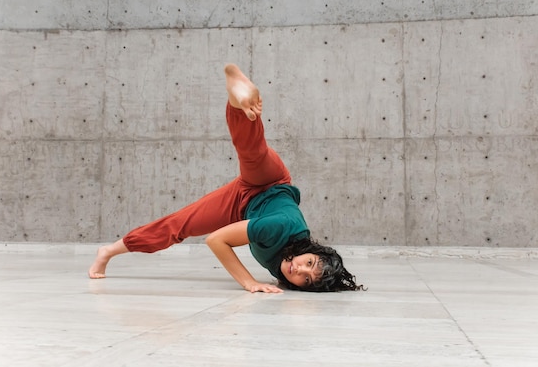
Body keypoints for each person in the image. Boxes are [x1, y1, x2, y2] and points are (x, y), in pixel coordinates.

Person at [88, 64, 363, 293]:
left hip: (243, 204)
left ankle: (108, 251)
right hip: (271, 183)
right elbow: (216, 240)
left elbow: (215, 238)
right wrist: (249, 283)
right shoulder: (278, 228)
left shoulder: (286, 265)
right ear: (312, 251)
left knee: (178, 225)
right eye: (310, 263)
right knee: (252, 154)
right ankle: (240, 101)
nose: (299, 269)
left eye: (305, 279)